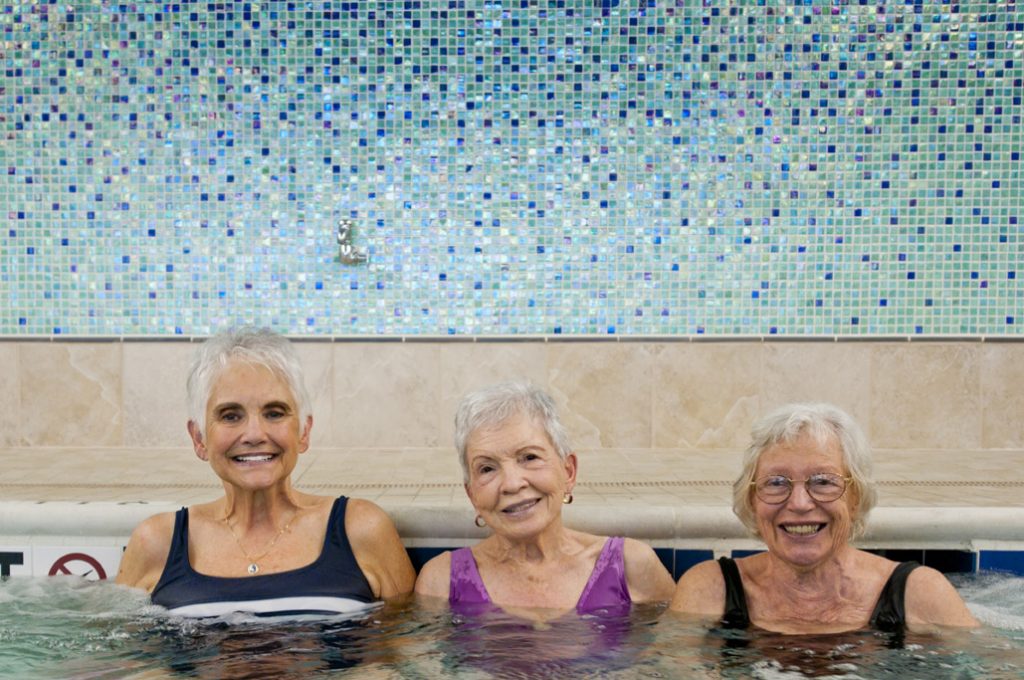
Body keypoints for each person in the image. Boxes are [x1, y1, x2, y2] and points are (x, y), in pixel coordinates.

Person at [116, 328, 415, 617]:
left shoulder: (361, 529)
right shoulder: (157, 542)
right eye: (230, 415)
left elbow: (402, 658)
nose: (255, 434)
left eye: (274, 413)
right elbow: (125, 661)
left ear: (303, 432)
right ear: (199, 438)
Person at [670, 402, 978, 634]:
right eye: (776, 483)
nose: (800, 503)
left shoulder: (919, 595)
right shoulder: (710, 591)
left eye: (823, 481)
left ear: (855, 497)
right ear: (752, 500)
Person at [415, 381, 675, 619]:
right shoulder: (441, 583)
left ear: (568, 471)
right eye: (487, 469)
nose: (512, 484)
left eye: (529, 457)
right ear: (472, 494)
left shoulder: (631, 567)